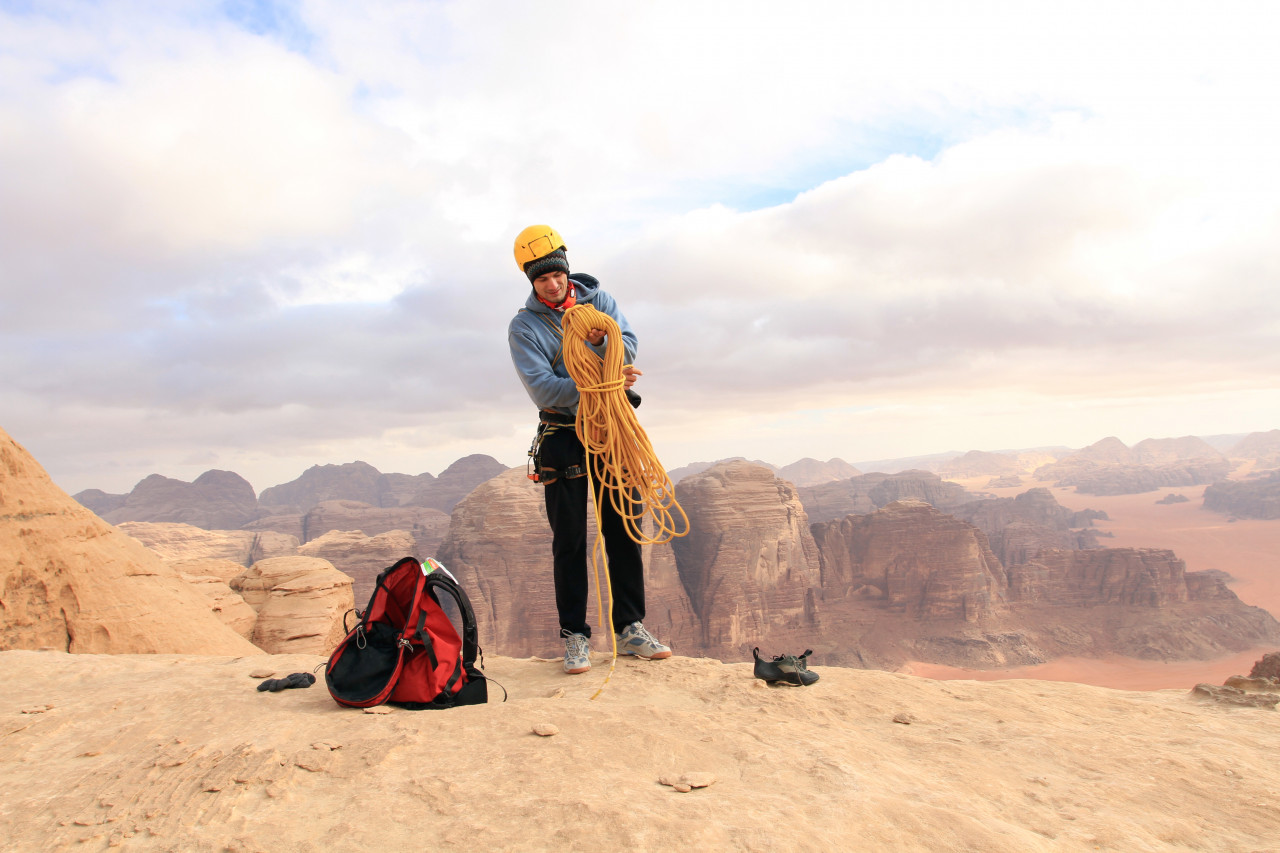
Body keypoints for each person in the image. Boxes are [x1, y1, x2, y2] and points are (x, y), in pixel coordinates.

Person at [507, 224, 672, 675]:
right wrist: (603, 379)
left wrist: (603, 350)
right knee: (570, 540)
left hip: (613, 427)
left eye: (557, 274)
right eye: (542, 279)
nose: (554, 284)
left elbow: (629, 344)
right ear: (532, 282)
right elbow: (543, 388)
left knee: (623, 523)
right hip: (562, 434)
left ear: (565, 266)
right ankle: (575, 636)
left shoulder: (600, 302)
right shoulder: (524, 328)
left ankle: (631, 626)